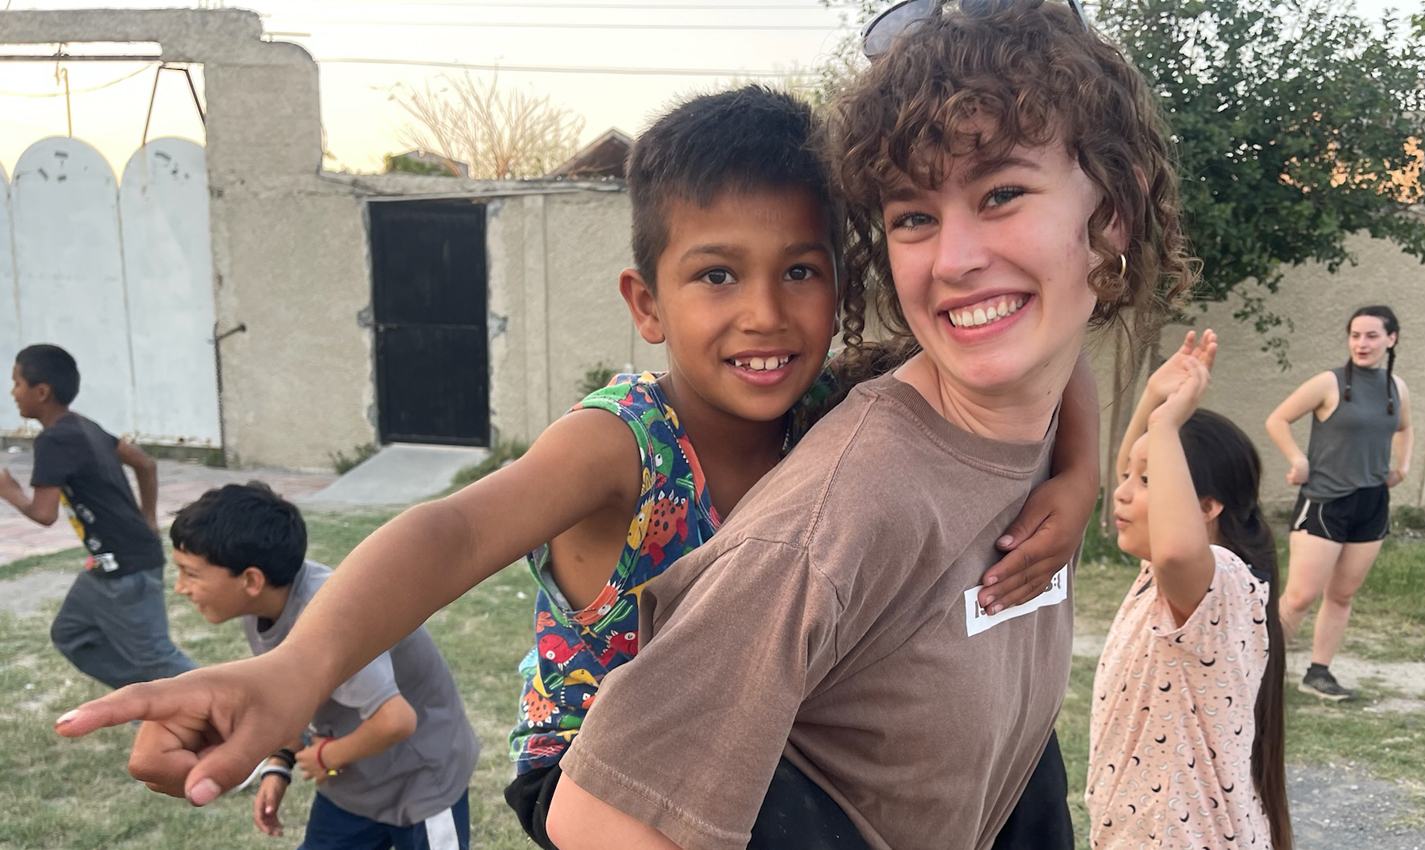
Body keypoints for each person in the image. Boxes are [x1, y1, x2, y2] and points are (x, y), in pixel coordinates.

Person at [55, 78, 1101, 840]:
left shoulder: (830, 404)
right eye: (715, 276)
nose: (765, 314)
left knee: (1011, 774)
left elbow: (1025, 342)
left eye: (800, 271)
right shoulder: (626, 443)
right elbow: (451, 529)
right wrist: (294, 667)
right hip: (593, 770)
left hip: (745, 732)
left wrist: (1078, 468)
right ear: (645, 302)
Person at [536, 2, 1194, 847]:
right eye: (914, 216)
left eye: (1001, 194)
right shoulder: (837, 518)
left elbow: (1066, 365)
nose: (954, 260)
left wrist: (1081, 471)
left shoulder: (1027, 403)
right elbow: (595, 821)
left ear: (1115, 216)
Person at [169, 483, 477, 849]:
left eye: (190, 574)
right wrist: (279, 763)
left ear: (251, 580)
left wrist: (324, 756)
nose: (179, 588)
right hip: (355, 786)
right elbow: (291, 695)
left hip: (421, 782)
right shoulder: (264, 607)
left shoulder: (334, 618)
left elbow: (396, 719)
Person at [1088, 331, 1292, 849]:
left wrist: (1164, 422)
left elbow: (1180, 549)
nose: (1123, 491)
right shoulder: (1160, 581)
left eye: (1147, 480)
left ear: (1206, 508)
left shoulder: (1220, 585)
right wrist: (1153, 398)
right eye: (1129, 476)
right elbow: (1132, 485)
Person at [1, 343, 194, 688]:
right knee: (71, 633)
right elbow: (144, 464)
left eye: (16, 383)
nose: (13, 392)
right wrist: (147, 518)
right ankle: (149, 704)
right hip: (111, 563)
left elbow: (43, 514)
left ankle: (238, 711)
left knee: (157, 657)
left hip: (126, 569)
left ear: (41, 391)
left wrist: (8, 490)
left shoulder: (53, 440)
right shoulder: (83, 425)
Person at [1266, 305, 1413, 701]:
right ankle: (1257, 670)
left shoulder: (1395, 388)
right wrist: (1298, 459)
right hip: (1325, 501)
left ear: (1390, 339)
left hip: (1371, 503)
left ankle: (1318, 672)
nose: (1361, 344)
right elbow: (1277, 420)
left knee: (1342, 595)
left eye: (1371, 336)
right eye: (1355, 335)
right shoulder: (1329, 383)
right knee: (1299, 597)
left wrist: (1404, 467)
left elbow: (1404, 427)